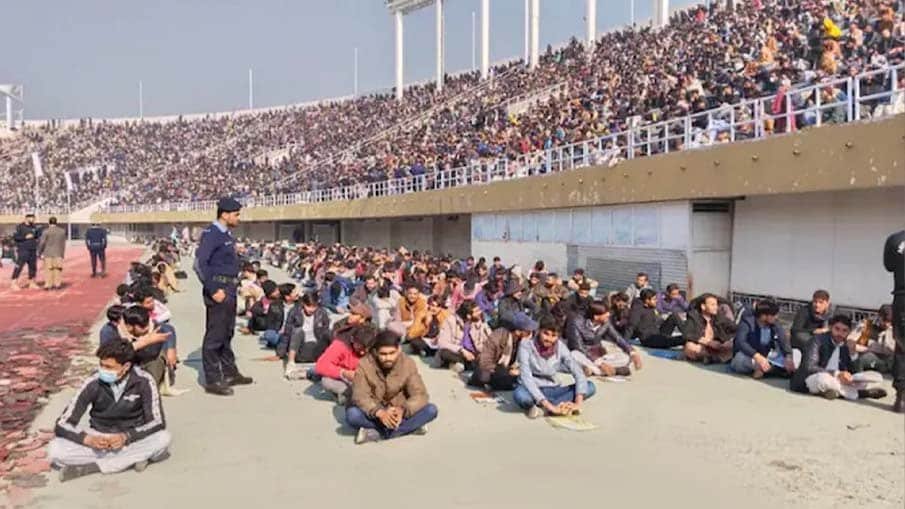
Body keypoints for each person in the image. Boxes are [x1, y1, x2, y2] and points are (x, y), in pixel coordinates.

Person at [49, 339, 170, 482]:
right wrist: (88, 439)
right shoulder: (93, 382)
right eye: (101, 365)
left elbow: (157, 421)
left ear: (126, 366)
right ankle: (131, 460)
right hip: (99, 437)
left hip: (131, 439)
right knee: (55, 450)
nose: (103, 370)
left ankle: (94, 466)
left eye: (108, 367)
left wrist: (127, 437)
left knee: (163, 439)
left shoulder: (144, 381)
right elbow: (62, 423)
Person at [194, 197, 253, 396]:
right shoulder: (212, 234)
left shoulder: (225, 234)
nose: (238, 218)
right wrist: (212, 290)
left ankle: (229, 372)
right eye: (236, 214)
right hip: (219, 289)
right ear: (225, 214)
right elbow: (200, 264)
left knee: (227, 333)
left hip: (229, 287)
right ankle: (212, 379)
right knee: (215, 336)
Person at [347, 331, 438, 444]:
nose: (388, 358)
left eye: (392, 353)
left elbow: (420, 394)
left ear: (399, 350)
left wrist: (402, 410)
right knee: (353, 415)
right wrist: (380, 412)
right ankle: (407, 428)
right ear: (375, 352)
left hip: (399, 411)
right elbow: (360, 396)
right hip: (376, 411)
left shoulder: (408, 363)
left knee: (431, 410)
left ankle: (378, 433)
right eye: (383, 354)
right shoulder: (364, 365)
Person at [513, 316, 597, 419]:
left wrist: (577, 403)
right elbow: (526, 377)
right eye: (546, 334)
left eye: (553, 336)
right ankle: (553, 406)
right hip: (531, 389)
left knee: (590, 387)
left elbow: (577, 371)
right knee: (520, 395)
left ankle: (544, 408)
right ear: (539, 331)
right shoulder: (526, 345)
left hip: (553, 389)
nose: (549, 339)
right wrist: (550, 407)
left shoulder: (560, 346)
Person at [790, 315, 887, 401]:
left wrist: (853, 354)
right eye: (837, 329)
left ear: (849, 332)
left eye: (844, 331)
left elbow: (856, 373)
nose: (840, 333)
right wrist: (837, 373)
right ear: (831, 328)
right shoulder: (817, 341)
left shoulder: (845, 345)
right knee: (823, 380)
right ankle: (861, 394)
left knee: (876, 378)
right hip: (810, 379)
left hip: (838, 380)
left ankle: (833, 392)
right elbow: (809, 367)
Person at [566, 300, 642, 377]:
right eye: (605, 313)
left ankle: (593, 370)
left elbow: (617, 337)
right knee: (574, 355)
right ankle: (612, 370)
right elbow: (578, 347)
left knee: (625, 358)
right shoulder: (576, 322)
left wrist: (632, 352)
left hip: (598, 354)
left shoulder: (606, 322)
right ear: (596, 316)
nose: (608, 315)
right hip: (583, 354)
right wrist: (599, 363)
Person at [469, 312, 536, 391]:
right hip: (495, 368)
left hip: (511, 370)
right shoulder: (497, 337)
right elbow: (485, 362)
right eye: (528, 332)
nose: (530, 334)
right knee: (483, 376)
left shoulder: (524, 341)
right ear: (518, 332)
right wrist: (507, 371)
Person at [730, 300, 796, 378]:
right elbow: (741, 342)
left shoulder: (775, 323)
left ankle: (765, 370)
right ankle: (774, 370)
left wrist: (788, 357)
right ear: (763, 316)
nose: (776, 317)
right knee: (740, 359)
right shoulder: (747, 322)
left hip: (767, 356)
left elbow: (783, 340)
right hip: (750, 357)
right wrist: (757, 356)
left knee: (796, 353)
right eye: (774, 315)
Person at [315, 326, 376, 405]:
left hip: (365, 378)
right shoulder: (340, 345)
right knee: (325, 381)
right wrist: (344, 373)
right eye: (359, 348)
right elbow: (321, 365)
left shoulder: (375, 346)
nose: (362, 353)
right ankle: (350, 394)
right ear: (352, 340)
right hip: (345, 377)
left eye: (365, 349)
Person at [279, 292, 334, 377]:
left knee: (329, 333)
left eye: (314, 306)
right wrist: (280, 352)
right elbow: (287, 333)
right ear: (303, 304)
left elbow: (326, 333)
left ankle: (329, 363)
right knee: (297, 330)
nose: (311, 309)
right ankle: (291, 363)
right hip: (300, 349)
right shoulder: (294, 312)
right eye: (308, 306)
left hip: (317, 348)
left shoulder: (322, 313)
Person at [435, 299, 492, 373]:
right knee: (444, 353)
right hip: (458, 353)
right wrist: (462, 350)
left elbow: (489, 339)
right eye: (477, 311)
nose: (480, 313)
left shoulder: (480, 322)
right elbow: (441, 343)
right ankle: (464, 364)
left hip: (474, 354)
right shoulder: (451, 321)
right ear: (468, 316)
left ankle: (463, 365)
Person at [883, 229, 905, 412]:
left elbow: (889, 266)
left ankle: (901, 398)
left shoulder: (895, 239)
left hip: (902, 298)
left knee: (901, 347)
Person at [683, 293, 736, 363]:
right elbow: (687, 334)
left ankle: (714, 358)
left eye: (716, 305)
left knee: (732, 345)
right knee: (689, 346)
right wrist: (708, 342)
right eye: (712, 305)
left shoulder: (719, 317)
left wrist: (726, 341)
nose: (716, 307)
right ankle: (714, 358)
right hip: (702, 347)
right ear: (703, 306)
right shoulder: (694, 317)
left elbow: (734, 328)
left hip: (719, 347)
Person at [847, 305, 897, 375]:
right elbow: (850, 342)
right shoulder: (865, 324)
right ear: (879, 316)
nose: (887, 324)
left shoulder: (896, 327)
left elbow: (892, 349)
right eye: (885, 320)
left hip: (888, 360)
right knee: (861, 359)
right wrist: (868, 349)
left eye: (890, 322)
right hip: (867, 357)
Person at [11, 213, 41, 290]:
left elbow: (37, 236)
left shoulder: (34, 227)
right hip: (23, 250)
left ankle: (32, 282)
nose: (34, 220)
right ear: (27, 218)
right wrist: (25, 237)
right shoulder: (19, 227)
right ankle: (14, 283)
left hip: (32, 249)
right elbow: (15, 237)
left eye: (34, 218)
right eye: (32, 218)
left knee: (33, 267)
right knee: (19, 266)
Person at [38, 216, 67, 290]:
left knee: (48, 269)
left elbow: (42, 242)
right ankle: (57, 284)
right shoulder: (62, 231)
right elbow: (63, 243)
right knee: (58, 269)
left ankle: (48, 284)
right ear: (56, 222)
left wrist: (39, 252)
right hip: (58, 252)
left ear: (49, 222)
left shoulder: (46, 231)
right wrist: (62, 253)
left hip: (48, 253)